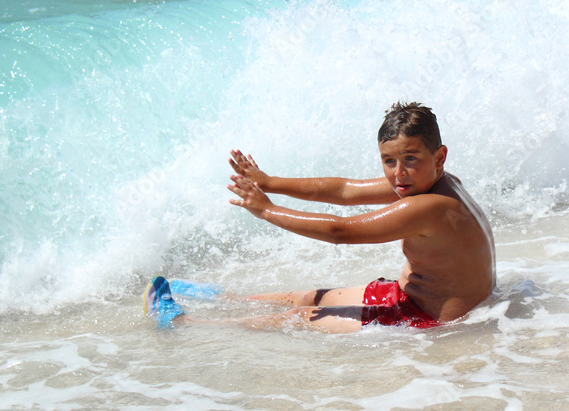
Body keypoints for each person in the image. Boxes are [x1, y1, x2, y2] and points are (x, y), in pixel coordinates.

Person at [144, 102, 495, 333]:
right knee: (306, 296)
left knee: (298, 318)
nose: (398, 172)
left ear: (439, 156)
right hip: (409, 297)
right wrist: (269, 182)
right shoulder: (433, 184)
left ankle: (186, 324)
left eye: (410, 158)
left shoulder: (428, 207)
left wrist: (266, 210)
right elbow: (343, 191)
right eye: (389, 161)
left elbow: (340, 230)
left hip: (426, 319)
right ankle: (223, 298)